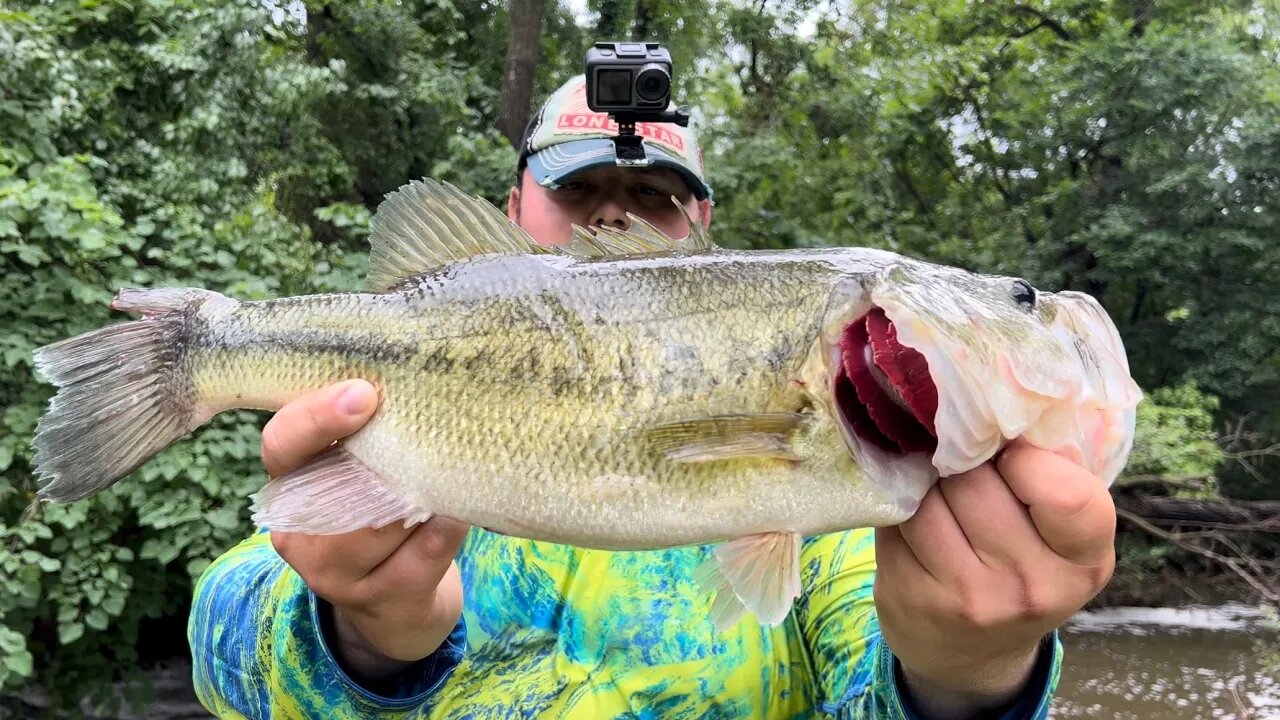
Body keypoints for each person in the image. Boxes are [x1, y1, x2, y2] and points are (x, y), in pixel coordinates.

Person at [188, 75, 1116, 719]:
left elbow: (868, 674)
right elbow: (221, 631)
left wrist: (970, 677)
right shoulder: (397, 373)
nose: (615, 215)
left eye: (654, 196)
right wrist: (357, 632)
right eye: (579, 187)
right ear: (513, 206)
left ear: (702, 223)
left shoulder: (856, 512)